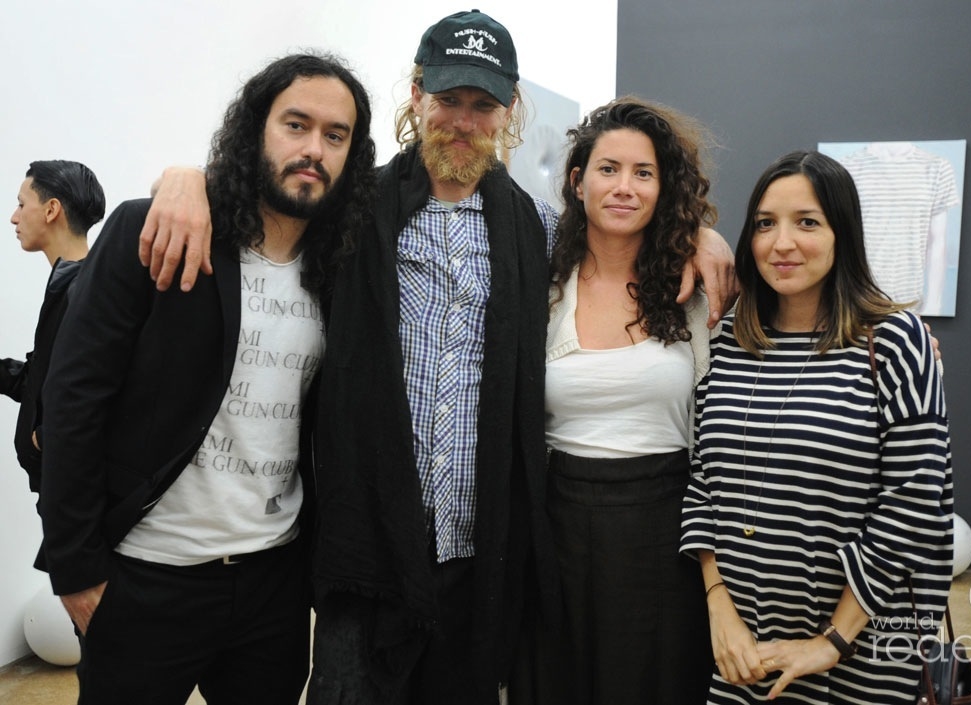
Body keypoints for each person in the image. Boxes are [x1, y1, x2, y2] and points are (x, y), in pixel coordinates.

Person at [139, 11, 739, 704]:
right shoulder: (351, 208)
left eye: (482, 105)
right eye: (448, 99)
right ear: (417, 93)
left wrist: (697, 231)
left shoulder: (537, 234)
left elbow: (618, 233)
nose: (463, 120)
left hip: (478, 562)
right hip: (365, 556)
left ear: (508, 111)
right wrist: (186, 177)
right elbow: (268, 191)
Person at [37, 52, 375, 705]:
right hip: (145, 580)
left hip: (272, 587)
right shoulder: (154, 231)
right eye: (296, 124)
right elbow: (73, 398)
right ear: (255, 130)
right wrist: (75, 569)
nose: (314, 149)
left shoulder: (340, 268)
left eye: (336, 135)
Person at [680, 150, 953, 704]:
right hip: (743, 648)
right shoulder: (731, 340)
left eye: (807, 222)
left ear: (842, 233)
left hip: (859, 650)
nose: (782, 243)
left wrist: (831, 639)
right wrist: (718, 607)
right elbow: (702, 479)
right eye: (765, 224)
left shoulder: (895, 340)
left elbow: (916, 499)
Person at [511, 97, 717, 705]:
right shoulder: (540, 285)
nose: (624, 187)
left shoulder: (699, 290)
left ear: (663, 188)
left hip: (667, 528)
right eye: (608, 169)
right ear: (577, 182)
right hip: (557, 526)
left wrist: (895, 343)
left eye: (643, 173)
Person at [2, 160, 105, 493]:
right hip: (57, 492)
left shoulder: (86, 291)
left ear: (51, 210)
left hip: (71, 495)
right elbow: (39, 382)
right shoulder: (70, 284)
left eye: (21, 204)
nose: (14, 217)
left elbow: (104, 389)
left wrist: (44, 440)